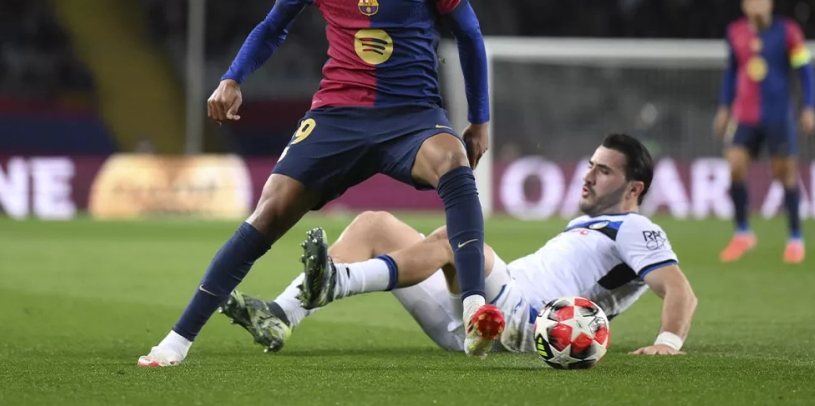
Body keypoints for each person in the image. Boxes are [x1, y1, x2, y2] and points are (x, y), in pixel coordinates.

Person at [139, 0, 501, 367]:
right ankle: (176, 341)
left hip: (412, 115)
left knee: (453, 161)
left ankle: (476, 310)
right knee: (270, 210)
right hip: (338, 113)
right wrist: (232, 77)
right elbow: (272, 27)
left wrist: (479, 119)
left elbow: (470, 36)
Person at [221, 134, 698, 357]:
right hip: (479, 318)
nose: (589, 176)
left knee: (460, 241)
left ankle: (337, 281)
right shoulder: (589, 224)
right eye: (591, 164)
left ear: (634, 188)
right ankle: (282, 316)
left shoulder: (634, 229)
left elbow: (679, 290)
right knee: (373, 225)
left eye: (604, 170)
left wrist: (667, 344)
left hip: (524, 323)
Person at [713, 0, 815, 264]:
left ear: (770, 3)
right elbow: (732, 71)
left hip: (777, 116)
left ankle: (795, 237)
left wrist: (808, 107)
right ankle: (743, 233)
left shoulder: (788, 32)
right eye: (751, 0)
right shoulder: (735, 32)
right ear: (744, 5)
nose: (756, 4)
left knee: (785, 174)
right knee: (735, 166)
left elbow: (805, 70)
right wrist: (724, 107)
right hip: (745, 115)